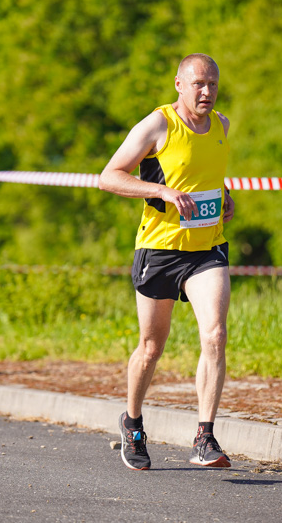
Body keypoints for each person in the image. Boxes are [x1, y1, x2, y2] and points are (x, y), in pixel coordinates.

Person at [99, 53, 235, 471]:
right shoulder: (158, 125)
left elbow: (206, 174)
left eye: (212, 83)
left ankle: (204, 436)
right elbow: (109, 176)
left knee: (214, 335)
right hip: (159, 251)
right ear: (179, 84)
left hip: (206, 250)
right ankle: (133, 423)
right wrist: (161, 193)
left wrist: (225, 196)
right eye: (198, 84)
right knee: (152, 347)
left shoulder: (222, 126)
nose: (207, 92)